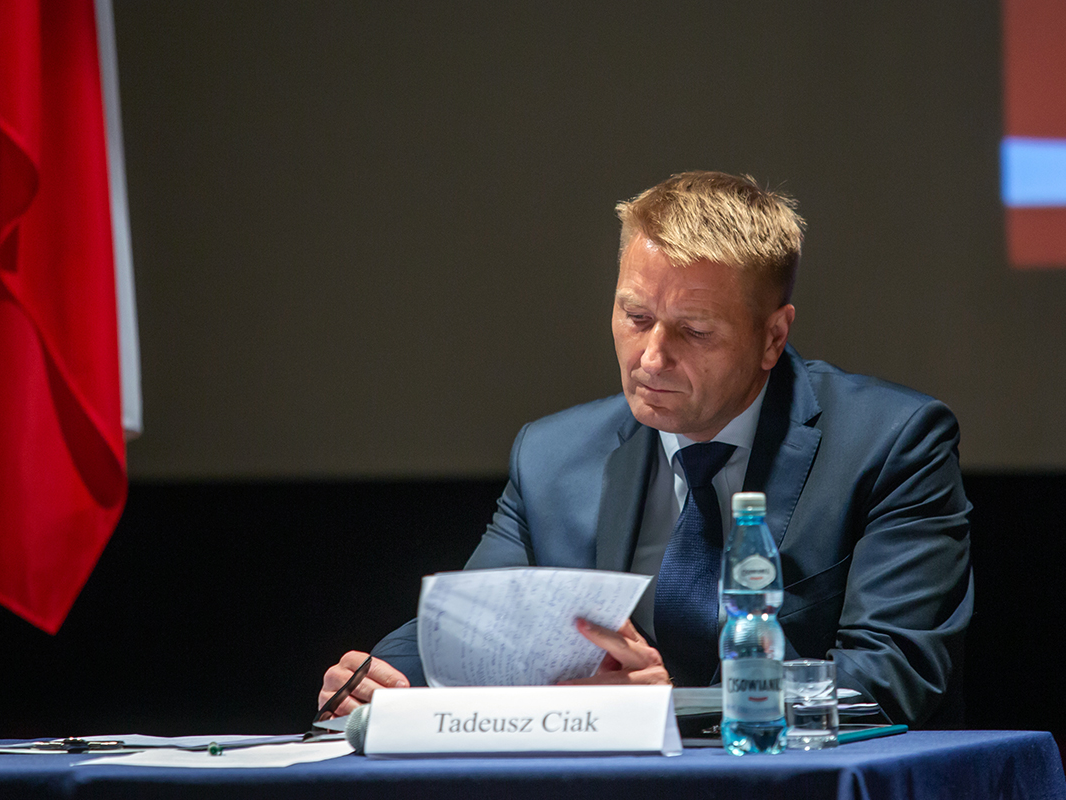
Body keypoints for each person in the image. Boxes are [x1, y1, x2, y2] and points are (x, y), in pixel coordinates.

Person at [318, 171, 973, 728]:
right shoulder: (552, 457)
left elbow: (892, 673)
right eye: (636, 318)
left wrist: (670, 706)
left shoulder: (889, 443)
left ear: (773, 337)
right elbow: (479, 627)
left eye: (695, 331)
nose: (651, 357)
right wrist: (384, 678)